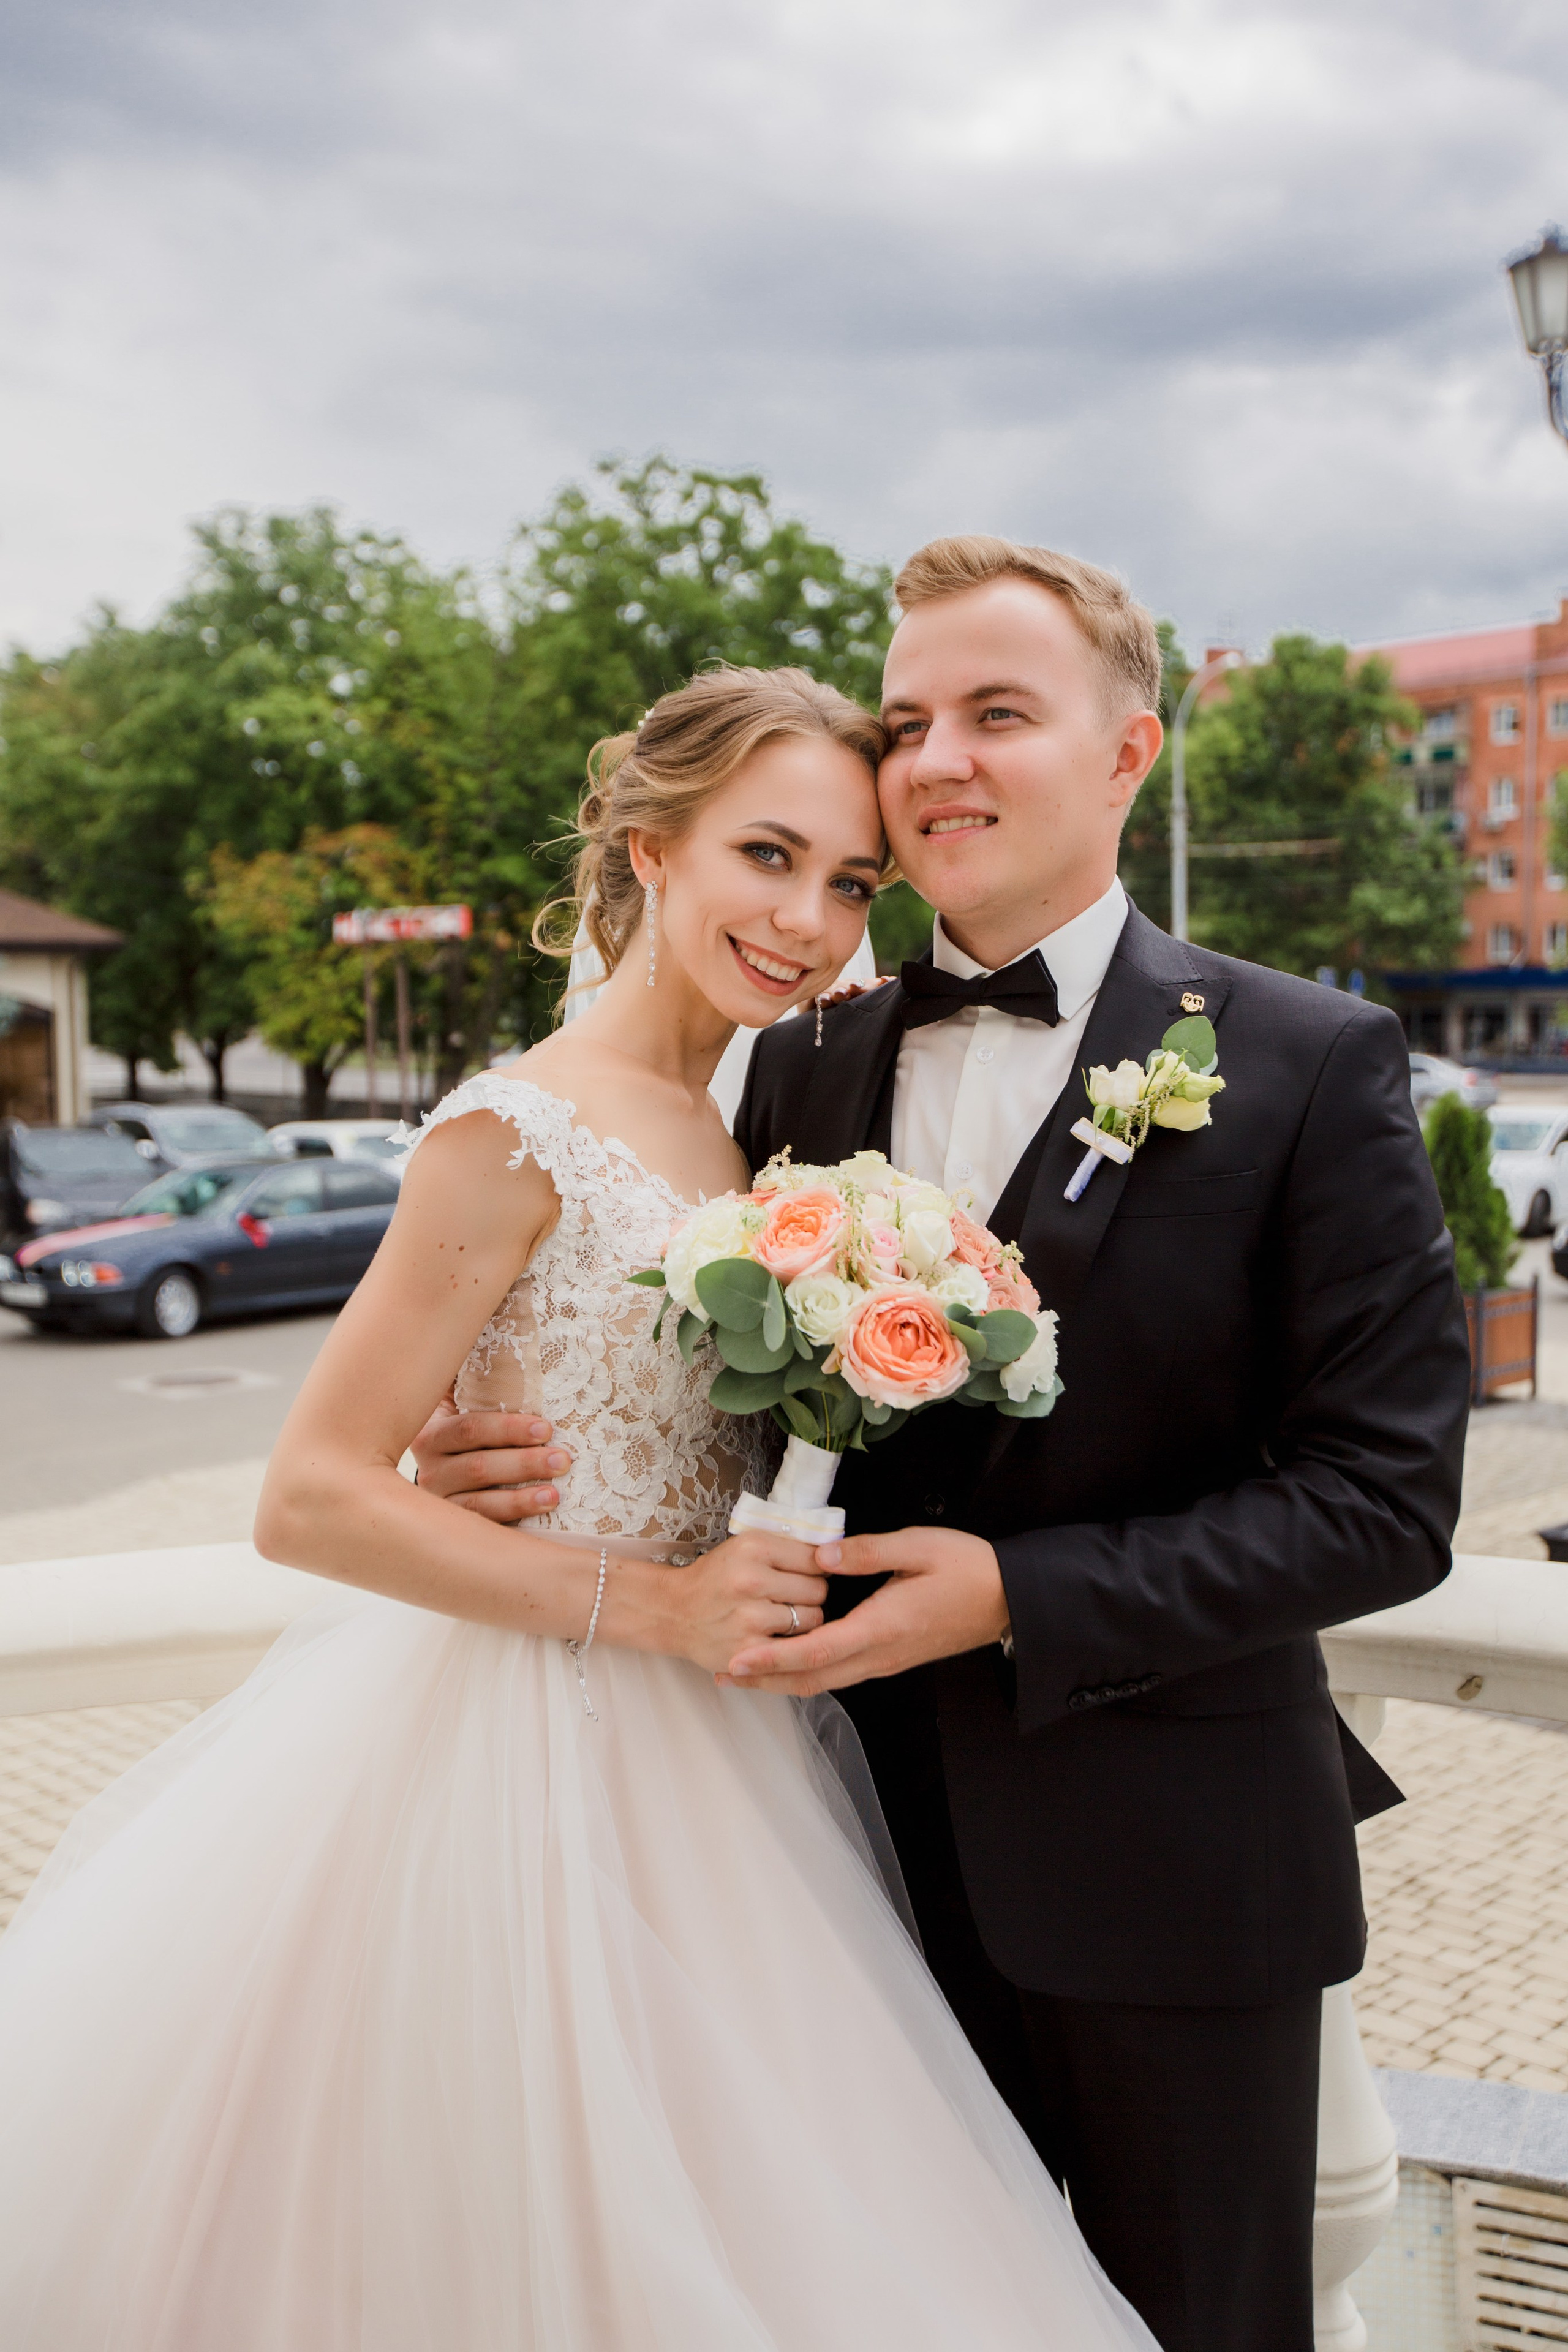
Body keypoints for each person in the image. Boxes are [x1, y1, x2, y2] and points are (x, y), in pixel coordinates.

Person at [0, 664, 1154, 2352]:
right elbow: (308, 1497)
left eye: (850, 885)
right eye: (768, 856)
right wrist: (651, 1602)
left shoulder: (737, 1123)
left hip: (723, 1760)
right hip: (517, 1761)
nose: (811, 921)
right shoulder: (513, 1128)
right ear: (644, 845)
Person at [418, 539, 1471, 2352]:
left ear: (1131, 752)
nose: (937, 763)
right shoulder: (791, 1057)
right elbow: (682, 1370)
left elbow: (1384, 1502)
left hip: (1176, 1887)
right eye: (910, 721)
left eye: (1000, 713)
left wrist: (1015, 1595)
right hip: (835, 1873)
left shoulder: (1311, 1062)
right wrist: (491, 1446)